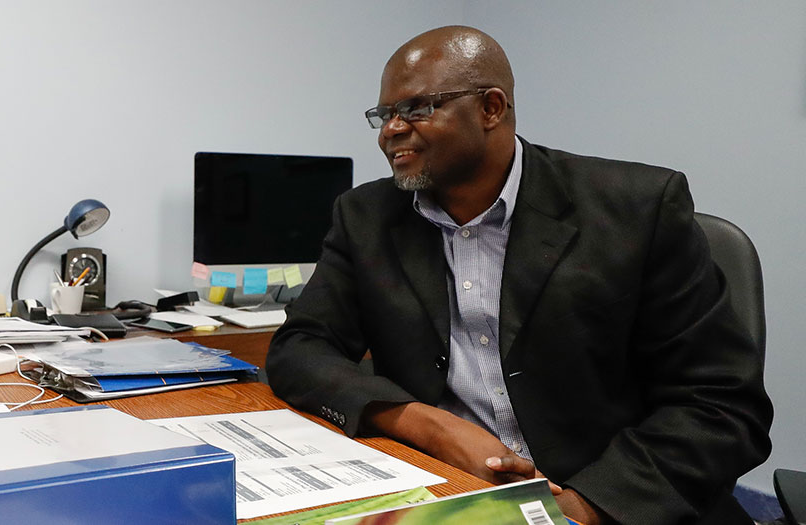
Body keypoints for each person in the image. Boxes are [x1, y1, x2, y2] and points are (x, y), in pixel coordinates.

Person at [266, 26, 771, 524]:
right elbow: (301, 347)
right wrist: (428, 425)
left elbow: (722, 407)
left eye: (417, 109)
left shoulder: (638, 209)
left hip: (609, 496)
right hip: (445, 486)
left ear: (491, 108)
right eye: (384, 114)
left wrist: (580, 507)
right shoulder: (366, 216)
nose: (391, 130)